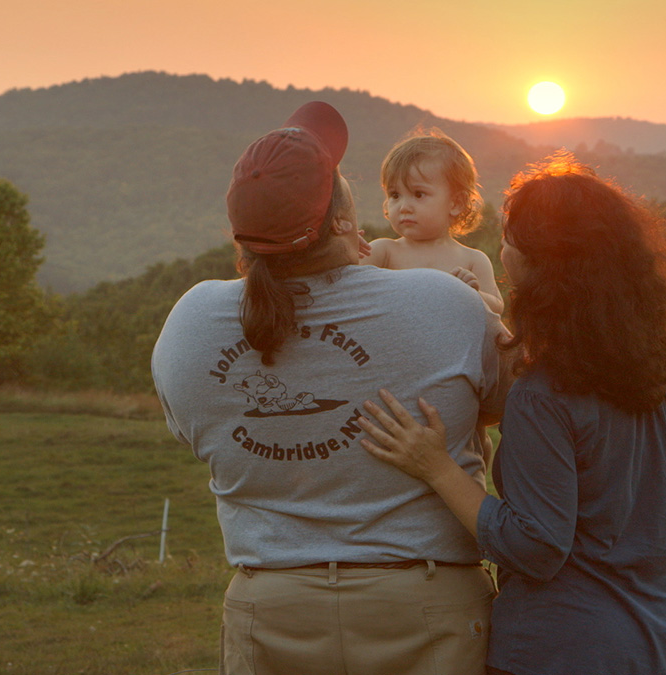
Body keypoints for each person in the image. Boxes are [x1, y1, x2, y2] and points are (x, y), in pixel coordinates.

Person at [151, 101, 508, 675]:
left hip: (272, 612)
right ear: (342, 220)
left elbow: (195, 435)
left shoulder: (191, 323)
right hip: (423, 607)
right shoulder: (445, 303)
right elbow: (502, 407)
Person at [359, 152, 666, 675]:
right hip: (657, 642)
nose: (503, 248)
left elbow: (536, 546)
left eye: (511, 239)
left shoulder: (544, 392)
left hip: (557, 646)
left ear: (544, 266)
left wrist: (437, 467)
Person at [362, 130, 503, 314]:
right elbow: (345, 286)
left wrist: (471, 294)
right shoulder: (383, 252)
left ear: (456, 203)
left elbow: (497, 308)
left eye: (418, 194)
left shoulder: (472, 260)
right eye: (395, 195)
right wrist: (347, 246)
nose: (404, 206)